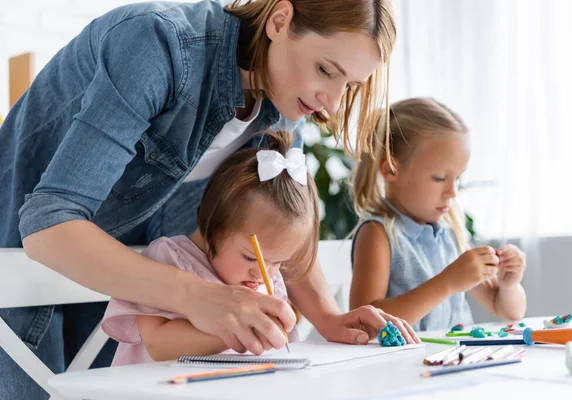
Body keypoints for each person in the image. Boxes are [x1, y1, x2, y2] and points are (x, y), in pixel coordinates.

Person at [0, 1, 401, 398]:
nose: (330, 103)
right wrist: (200, 298)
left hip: (121, 273)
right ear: (279, 21)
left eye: (348, 85)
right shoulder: (157, 43)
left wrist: (329, 318)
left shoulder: (285, 93)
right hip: (19, 259)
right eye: (325, 70)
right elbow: (48, 225)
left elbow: (273, 223)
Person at [102, 130, 418, 366]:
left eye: (279, 262)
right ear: (212, 222)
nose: (264, 274)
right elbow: (158, 344)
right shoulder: (169, 258)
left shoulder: (263, 275)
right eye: (251, 256)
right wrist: (235, 329)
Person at [350, 98, 527, 331]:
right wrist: (447, 283)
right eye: (439, 178)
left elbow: (507, 310)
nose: (452, 192)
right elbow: (364, 323)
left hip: (453, 361)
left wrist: (508, 285)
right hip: (402, 366)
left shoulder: (448, 235)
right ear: (391, 169)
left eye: (458, 178)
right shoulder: (378, 234)